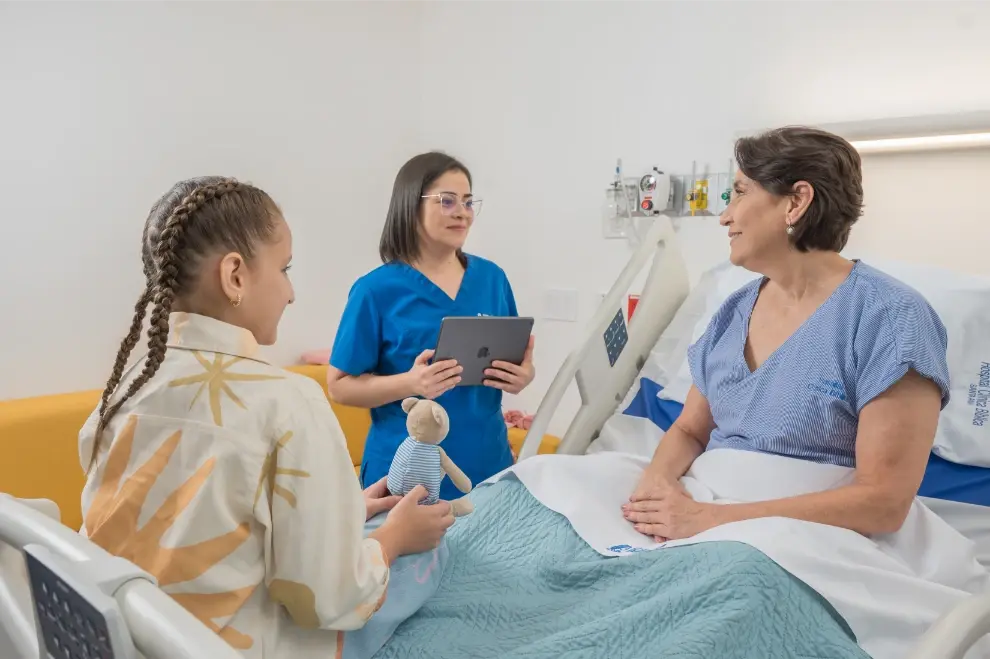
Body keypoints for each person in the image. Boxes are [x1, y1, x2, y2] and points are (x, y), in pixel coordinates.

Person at [78, 177, 454, 658]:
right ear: (235, 275)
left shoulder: (124, 389)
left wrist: (344, 510)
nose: (292, 293)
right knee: (437, 550)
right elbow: (329, 597)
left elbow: (189, 524)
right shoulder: (289, 402)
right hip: (231, 646)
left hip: (135, 638)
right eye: (285, 268)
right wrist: (393, 541)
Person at [623, 126, 950, 542]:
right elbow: (689, 430)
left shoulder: (889, 318)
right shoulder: (733, 311)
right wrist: (657, 482)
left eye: (740, 192)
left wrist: (711, 520)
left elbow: (883, 503)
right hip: (704, 502)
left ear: (796, 201)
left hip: (803, 535)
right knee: (542, 488)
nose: (725, 216)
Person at [327, 152, 535, 501]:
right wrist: (411, 383)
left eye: (468, 202)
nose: (462, 212)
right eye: (447, 201)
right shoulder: (375, 290)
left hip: (487, 464)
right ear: (411, 206)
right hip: (406, 472)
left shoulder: (492, 279)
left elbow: (512, 360)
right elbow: (340, 387)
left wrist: (523, 376)